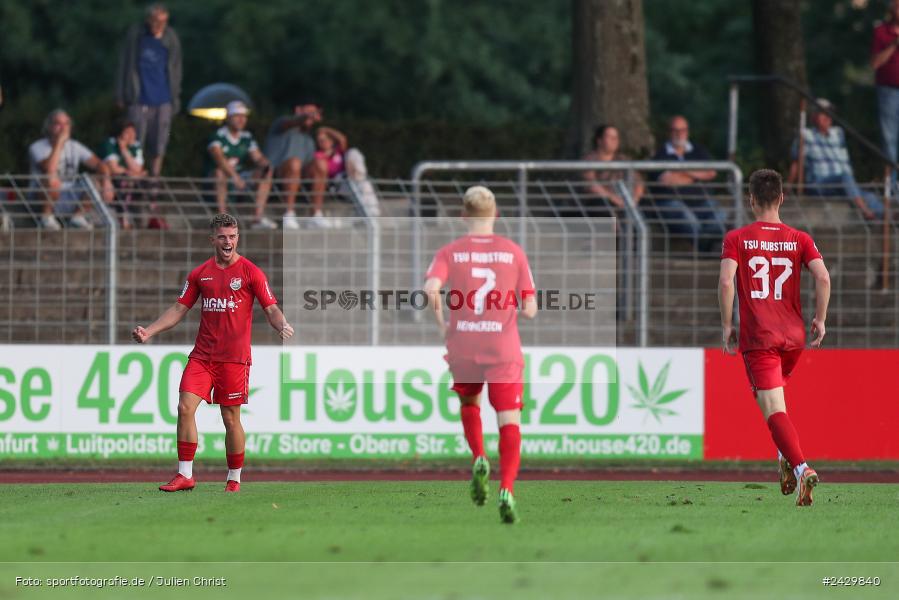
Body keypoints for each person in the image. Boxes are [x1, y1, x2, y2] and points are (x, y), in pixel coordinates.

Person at [132, 213, 294, 493]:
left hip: (234, 359)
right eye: (222, 237)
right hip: (202, 357)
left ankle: (234, 478)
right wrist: (149, 331)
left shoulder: (251, 272)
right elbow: (179, 308)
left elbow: (271, 308)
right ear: (212, 240)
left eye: (232, 236)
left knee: (230, 419)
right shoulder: (200, 274)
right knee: (184, 407)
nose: (227, 242)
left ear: (238, 238)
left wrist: (282, 325)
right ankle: (185, 475)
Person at [423, 186, 537, 524]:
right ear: (496, 214)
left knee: (469, 404)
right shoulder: (513, 252)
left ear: (463, 215)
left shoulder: (450, 252)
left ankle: (478, 457)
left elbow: (431, 289)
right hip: (502, 346)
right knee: (509, 420)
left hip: (464, 343)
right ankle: (507, 489)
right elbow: (530, 308)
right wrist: (514, 307)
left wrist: (442, 324)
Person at [718, 169, 831, 507]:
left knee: (772, 411)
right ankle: (784, 459)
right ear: (781, 198)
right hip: (793, 337)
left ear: (751, 200)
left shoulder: (737, 238)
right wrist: (820, 319)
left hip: (760, 337)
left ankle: (801, 468)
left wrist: (727, 325)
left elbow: (726, 282)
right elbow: (823, 277)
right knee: (773, 401)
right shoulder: (800, 238)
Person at [788, 100, 884, 220]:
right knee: (845, 176)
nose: (827, 117)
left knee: (870, 196)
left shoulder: (838, 134)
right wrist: (787, 190)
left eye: (830, 113)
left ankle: (889, 218)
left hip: (841, 184)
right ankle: (864, 210)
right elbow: (796, 163)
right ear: (814, 116)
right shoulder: (805, 135)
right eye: (823, 113)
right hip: (818, 184)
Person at [116, 3, 182, 177]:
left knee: (159, 145)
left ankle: (153, 182)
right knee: (136, 143)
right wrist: (121, 93)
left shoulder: (170, 37)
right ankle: (135, 180)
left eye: (163, 22)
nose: (159, 25)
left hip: (163, 99)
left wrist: (175, 98)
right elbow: (125, 64)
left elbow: (176, 68)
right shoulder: (136, 35)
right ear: (148, 20)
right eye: (155, 21)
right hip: (139, 97)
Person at [28, 109, 115, 230]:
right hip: (41, 199)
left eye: (66, 124)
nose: (63, 128)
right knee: (52, 180)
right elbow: (49, 169)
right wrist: (59, 143)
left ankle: (78, 217)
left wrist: (106, 181)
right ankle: (46, 218)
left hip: (70, 195)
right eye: (58, 124)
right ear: (49, 127)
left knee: (93, 181)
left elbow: (100, 165)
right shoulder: (37, 146)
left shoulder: (75, 146)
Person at [648, 115, 724, 251]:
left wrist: (683, 171)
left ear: (687, 131)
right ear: (669, 132)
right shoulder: (660, 155)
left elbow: (711, 172)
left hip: (701, 201)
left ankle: (705, 247)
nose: (679, 133)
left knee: (720, 217)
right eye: (675, 130)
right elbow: (668, 180)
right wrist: (697, 174)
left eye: (683, 130)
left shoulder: (698, 150)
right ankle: (706, 249)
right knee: (691, 222)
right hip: (671, 202)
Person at [206, 101, 277, 229]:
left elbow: (258, 157)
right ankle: (223, 220)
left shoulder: (246, 137)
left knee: (266, 172)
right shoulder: (217, 136)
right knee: (220, 173)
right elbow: (220, 159)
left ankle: (257, 218)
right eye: (237, 115)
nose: (241, 119)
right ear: (228, 118)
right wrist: (234, 176)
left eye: (244, 116)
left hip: (240, 177)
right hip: (217, 179)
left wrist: (266, 165)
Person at [264, 103, 329, 228]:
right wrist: (306, 116)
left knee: (321, 163)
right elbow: (293, 122)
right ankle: (289, 214)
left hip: (299, 177)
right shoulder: (281, 124)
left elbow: (309, 165)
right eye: (309, 112)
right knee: (295, 162)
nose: (312, 116)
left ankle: (316, 215)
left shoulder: (309, 139)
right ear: (298, 110)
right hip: (275, 173)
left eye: (314, 113)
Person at [581, 124, 644, 215]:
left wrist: (634, 199)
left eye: (616, 137)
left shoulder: (623, 159)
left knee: (645, 207)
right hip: (599, 204)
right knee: (601, 206)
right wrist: (614, 199)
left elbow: (638, 183)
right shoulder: (590, 159)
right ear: (599, 141)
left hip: (624, 203)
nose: (614, 140)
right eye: (610, 137)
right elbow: (591, 185)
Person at [99, 120, 147, 229]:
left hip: (130, 181)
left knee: (145, 183)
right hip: (111, 180)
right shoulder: (110, 144)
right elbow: (113, 168)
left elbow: (137, 168)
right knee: (125, 182)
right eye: (127, 132)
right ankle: (123, 220)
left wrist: (124, 150)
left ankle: (142, 220)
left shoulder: (135, 145)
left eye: (133, 132)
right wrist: (129, 172)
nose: (131, 135)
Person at [871, 0, 899, 183]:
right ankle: (893, 188)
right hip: (889, 91)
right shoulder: (881, 31)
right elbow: (875, 63)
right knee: (889, 140)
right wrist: (894, 44)